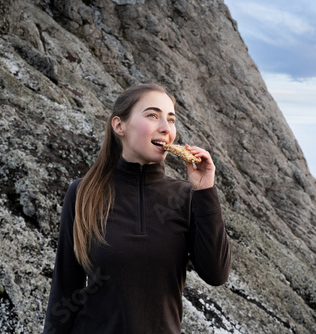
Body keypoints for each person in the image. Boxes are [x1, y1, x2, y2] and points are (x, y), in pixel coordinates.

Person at [43, 83, 231, 333]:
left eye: (171, 119)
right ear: (119, 126)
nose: (166, 128)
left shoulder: (186, 197)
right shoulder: (82, 193)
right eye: (153, 115)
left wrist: (205, 190)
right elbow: (65, 290)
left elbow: (216, 274)